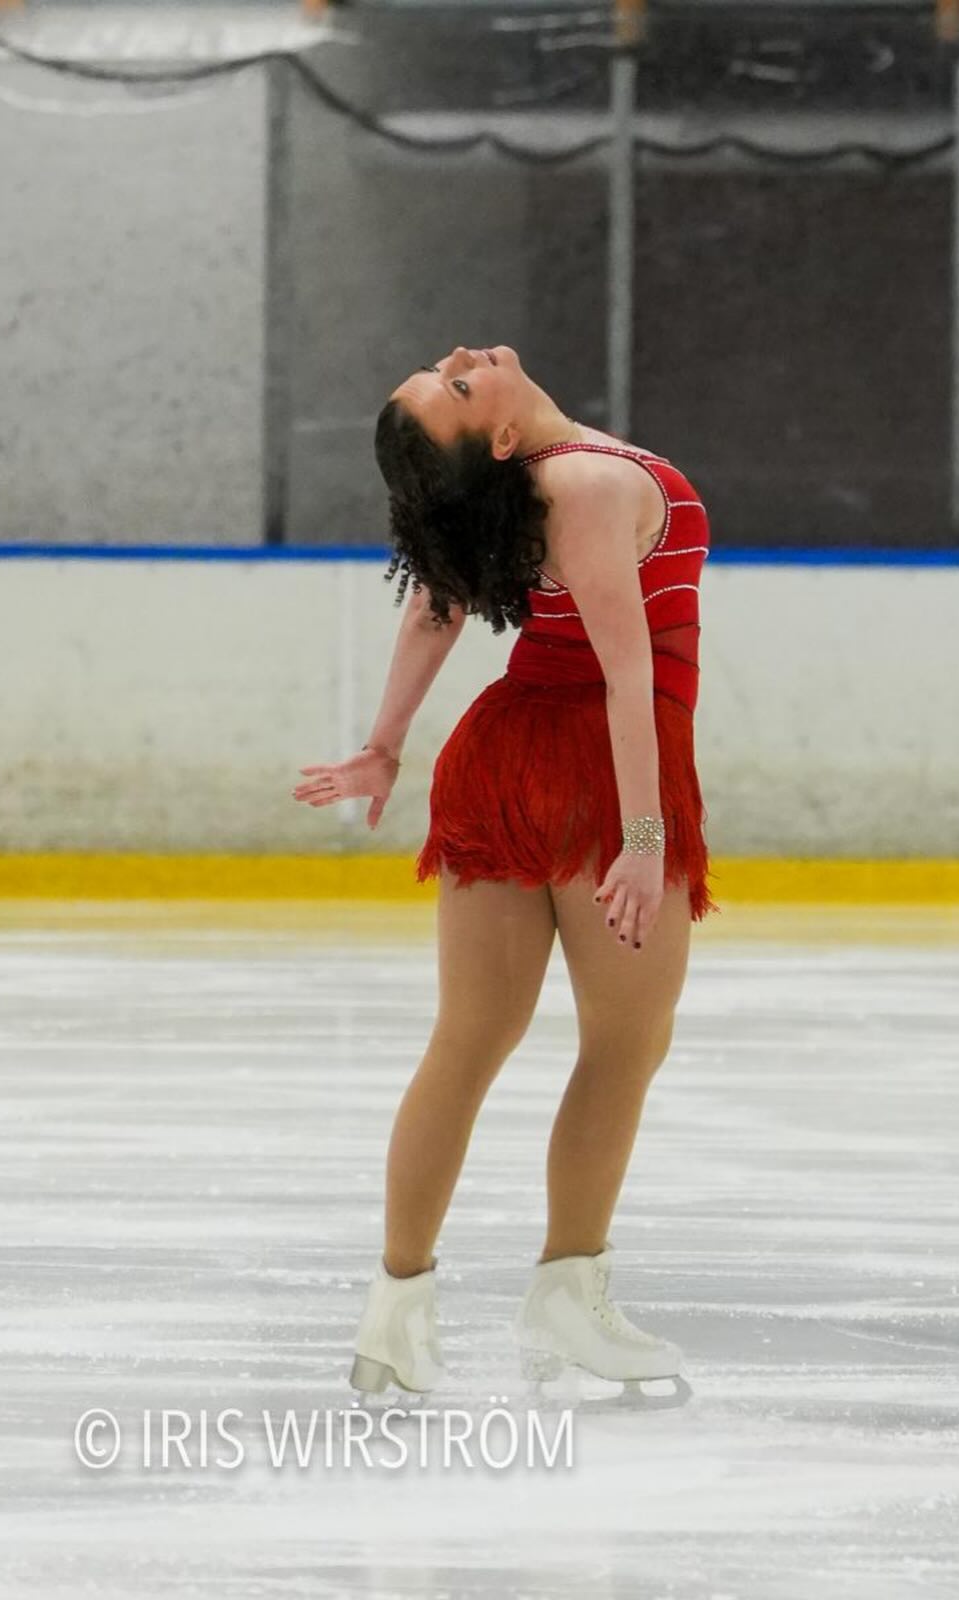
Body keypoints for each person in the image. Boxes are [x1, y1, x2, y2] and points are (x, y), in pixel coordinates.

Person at [292, 345, 716, 1402]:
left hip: (499, 757)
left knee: (469, 1036)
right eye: (461, 387)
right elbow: (626, 676)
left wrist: (386, 743)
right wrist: (645, 836)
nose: (462, 359)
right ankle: (569, 1292)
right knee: (625, 1041)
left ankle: (395, 1313)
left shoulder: (516, 493)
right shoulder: (590, 482)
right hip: (598, 771)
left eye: (446, 370)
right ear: (502, 437)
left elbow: (435, 605)